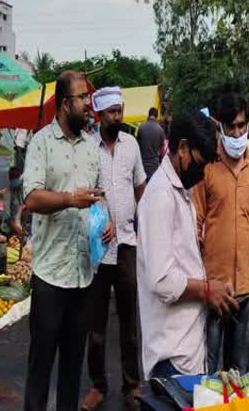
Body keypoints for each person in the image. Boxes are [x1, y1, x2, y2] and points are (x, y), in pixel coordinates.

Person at [22, 71, 114, 411]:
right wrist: (68, 199)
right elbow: (31, 198)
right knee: (41, 367)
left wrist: (109, 224)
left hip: (83, 274)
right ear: (64, 104)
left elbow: (98, 198)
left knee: (73, 369)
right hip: (50, 276)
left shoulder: (92, 148)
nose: (89, 106)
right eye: (82, 99)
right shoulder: (41, 144)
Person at [137, 109, 238, 379]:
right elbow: (162, 280)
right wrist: (207, 290)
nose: (203, 173)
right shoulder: (160, 196)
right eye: (200, 162)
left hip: (187, 350)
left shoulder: (181, 190)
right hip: (171, 356)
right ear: (182, 148)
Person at [193, 93, 249, 374]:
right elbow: (195, 224)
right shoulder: (207, 168)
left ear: (248, 124)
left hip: (245, 290)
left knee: (237, 369)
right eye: (230, 127)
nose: (237, 133)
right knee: (210, 370)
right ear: (219, 127)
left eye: (241, 126)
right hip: (214, 289)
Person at [82, 87, 147, 411]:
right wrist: (99, 215)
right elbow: (84, 192)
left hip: (126, 244)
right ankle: (97, 386)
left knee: (128, 320)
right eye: (112, 113)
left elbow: (140, 186)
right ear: (99, 115)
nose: (118, 117)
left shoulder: (131, 145)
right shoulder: (87, 148)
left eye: (120, 111)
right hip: (97, 248)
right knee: (95, 324)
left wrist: (139, 220)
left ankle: (131, 384)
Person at [137, 107, 166, 182]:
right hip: (154, 165)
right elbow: (162, 149)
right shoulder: (160, 129)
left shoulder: (141, 127)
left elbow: (137, 146)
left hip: (142, 164)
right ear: (156, 116)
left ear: (148, 115)